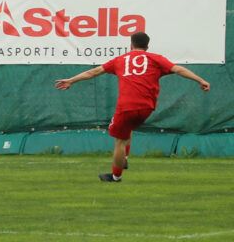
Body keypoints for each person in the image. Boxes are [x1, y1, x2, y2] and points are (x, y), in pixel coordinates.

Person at [55, 31, 210, 182]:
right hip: (147, 108)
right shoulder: (156, 59)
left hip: (126, 107)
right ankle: (125, 159)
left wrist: (71, 80)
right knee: (127, 129)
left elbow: (94, 72)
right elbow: (179, 69)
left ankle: (115, 177)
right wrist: (200, 80)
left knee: (119, 141)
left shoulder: (120, 60)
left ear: (131, 45)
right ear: (147, 47)